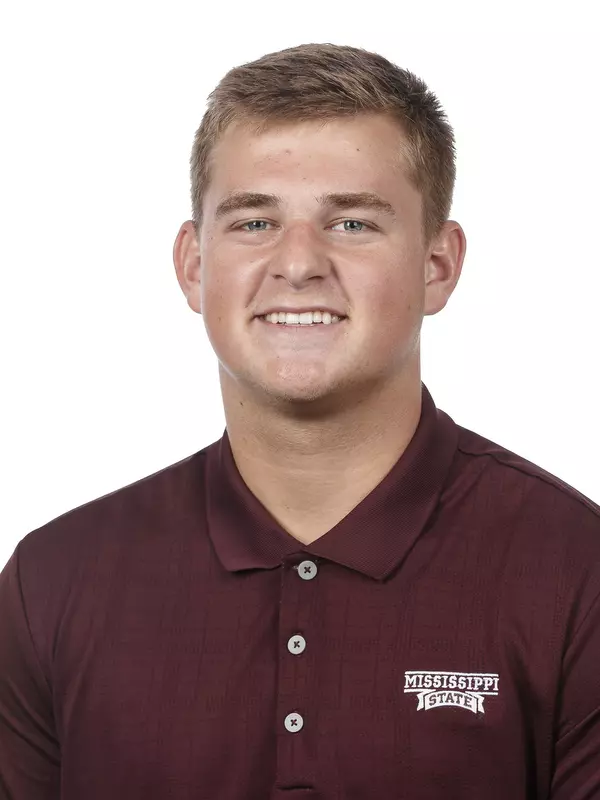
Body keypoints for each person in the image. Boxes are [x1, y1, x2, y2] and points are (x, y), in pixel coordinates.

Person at [1, 42, 599, 800]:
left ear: (437, 266)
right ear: (193, 264)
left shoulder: (577, 574)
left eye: (352, 224)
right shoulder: (53, 583)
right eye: (253, 222)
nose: (297, 263)